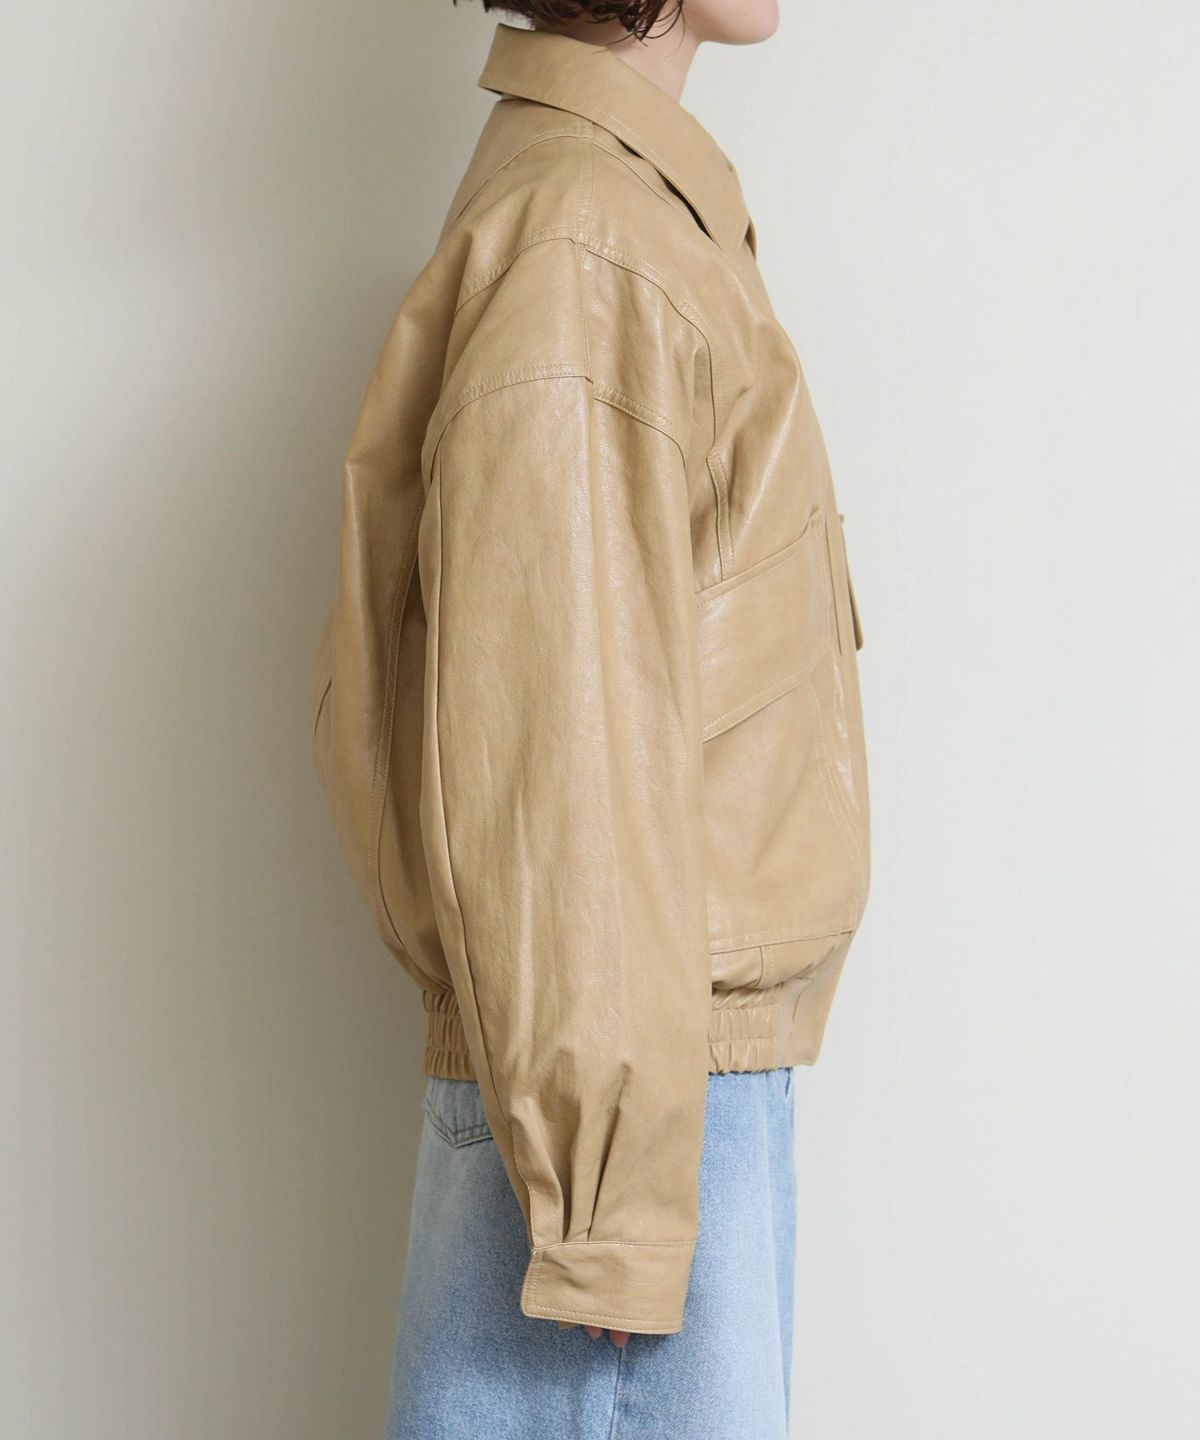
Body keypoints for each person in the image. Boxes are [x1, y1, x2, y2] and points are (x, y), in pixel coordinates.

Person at [308, 3, 870, 1434]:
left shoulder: (610, 213)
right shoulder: (589, 239)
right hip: (630, 1111)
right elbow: (558, 742)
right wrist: (611, 1206)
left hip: (647, 1093)